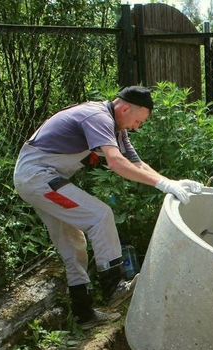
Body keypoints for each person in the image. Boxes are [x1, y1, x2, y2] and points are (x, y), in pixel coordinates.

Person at [14, 86, 202, 328]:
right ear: (124, 108)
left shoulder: (116, 126)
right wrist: (162, 184)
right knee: (100, 216)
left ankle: (84, 314)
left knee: (74, 244)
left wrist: (170, 183)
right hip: (37, 178)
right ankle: (114, 286)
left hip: (43, 178)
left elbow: (136, 163)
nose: (137, 127)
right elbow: (116, 163)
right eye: (138, 121)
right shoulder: (98, 117)